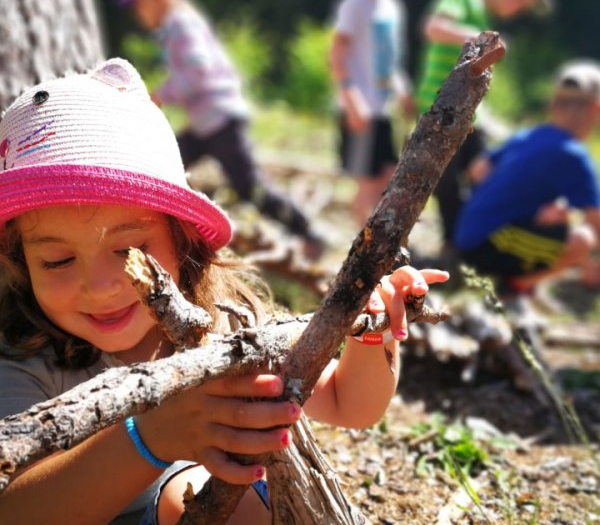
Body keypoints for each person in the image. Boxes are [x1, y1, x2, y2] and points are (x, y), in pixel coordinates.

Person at [0, 58, 449, 524]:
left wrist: (372, 330)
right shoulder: (23, 362)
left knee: (225, 495)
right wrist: (145, 439)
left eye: (129, 250)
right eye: (57, 260)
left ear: (181, 238)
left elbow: (347, 403)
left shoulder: (225, 330)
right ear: (19, 263)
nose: (98, 287)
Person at [118, 0, 326, 260]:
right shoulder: (177, 25)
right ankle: (163, 235)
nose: (138, 12)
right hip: (207, 123)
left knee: (250, 188)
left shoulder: (180, 23)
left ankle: (308, 232)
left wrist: (160, 95)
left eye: (140, 4)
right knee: (167, 165)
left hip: (221, 121)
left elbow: (198, 71)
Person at [415, 0, 555, 251]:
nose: (519, 7)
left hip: (468, 115)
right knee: (447, 183)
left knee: (483, 174)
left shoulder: (482, 13)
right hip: (438, 111)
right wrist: (480, 40)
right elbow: (433, 27)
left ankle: (477, 239)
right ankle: (455, 245)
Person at [453, 60, 600, 297]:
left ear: (552, 105)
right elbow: (596, 223)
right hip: (486, 246)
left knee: (560, 217)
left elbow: (477, 170)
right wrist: (591, 268)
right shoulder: (573, 154)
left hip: (467, 232)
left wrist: (525, 207)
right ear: (596, 109)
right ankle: (518, 285)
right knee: (583, 239)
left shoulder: (528, 135)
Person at [329, 0, 435, 226]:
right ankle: (362, 243)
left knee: (388, 174)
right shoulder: (355, 2)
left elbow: (390, 59)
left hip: (382, 109)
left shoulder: (392, 6)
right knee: (369, 182)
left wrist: (403, 89)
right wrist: (351, 98)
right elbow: (337, 53)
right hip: (362, 109)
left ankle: (376, 235)